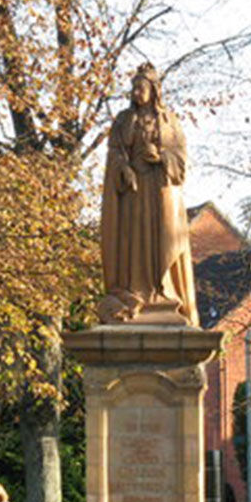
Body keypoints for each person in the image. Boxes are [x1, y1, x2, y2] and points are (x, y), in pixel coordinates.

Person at [99, 62, 199, 326]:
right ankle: (135, 292)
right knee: (133, 241)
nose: (135, 93)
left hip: (160, 190)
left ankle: (162, 290)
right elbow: (115, 151)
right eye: (133, 88)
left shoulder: (169, 121)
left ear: (153, 90)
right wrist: (124, 169)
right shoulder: (123, 120)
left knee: (160, 238)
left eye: (140, 88)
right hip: (133, 192)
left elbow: (181, 158)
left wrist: (162, 157)